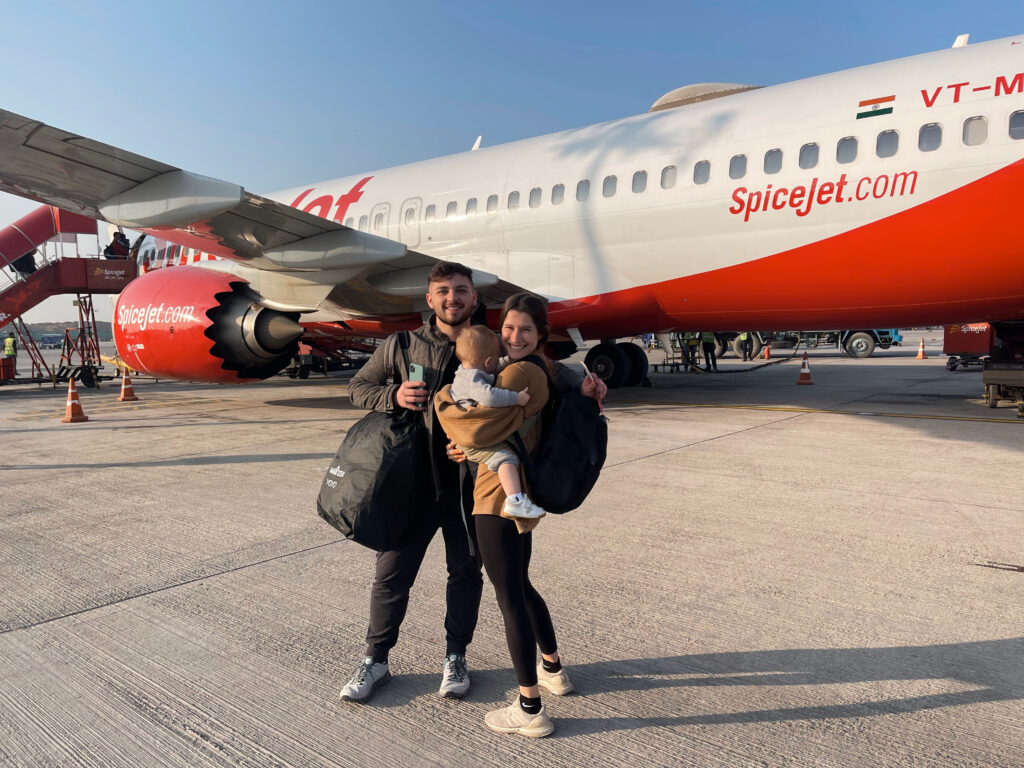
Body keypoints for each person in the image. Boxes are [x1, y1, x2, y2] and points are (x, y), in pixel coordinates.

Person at [436, 292, 607, 738]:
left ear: (539, 334)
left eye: (525, 329)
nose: (514, 335)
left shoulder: (519, 373)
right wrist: (468, 446)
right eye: (508, 328)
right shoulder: (543, 369)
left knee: (508, 596)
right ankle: (552, 668)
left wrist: (446, 409)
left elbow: (475, 424)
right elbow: (487, 431)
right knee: (522, 586)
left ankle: (529, 707)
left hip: (496, 500)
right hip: (516, 493)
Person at [340, 261, 484, 703]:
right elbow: (358, 387)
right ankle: (375, 659)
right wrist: (393, 395)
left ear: (473, 298)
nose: (452, 299)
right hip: (410, 487)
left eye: (460, 290)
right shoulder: (401, 345)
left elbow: (533, 381)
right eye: (443, 291)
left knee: (464, 573)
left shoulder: (489, 346)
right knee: (391, 576)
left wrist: (584, 383)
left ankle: (456, 656)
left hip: (466, 488)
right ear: (429, 299)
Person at [449, 325, 545, 519]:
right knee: (505, 459)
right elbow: (489, 397)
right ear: (488, 361)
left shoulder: (467, 370)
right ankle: (515, 500)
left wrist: (511, 359)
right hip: (472, 440)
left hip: (472, 437)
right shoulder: (473, 379)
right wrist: (515, 398)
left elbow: (496, 365)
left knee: (493, 463)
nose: (499, 364)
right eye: (496, 360)